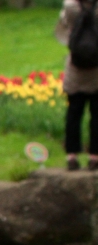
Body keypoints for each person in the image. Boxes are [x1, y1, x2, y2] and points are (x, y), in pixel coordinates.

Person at [58, 0, 98, 170]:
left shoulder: (70, 7)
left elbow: (61, 33)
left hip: (75, 69)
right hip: (97, 71)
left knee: (74, 113)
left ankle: (72, 156)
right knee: (97, 115)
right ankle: (95, 156)